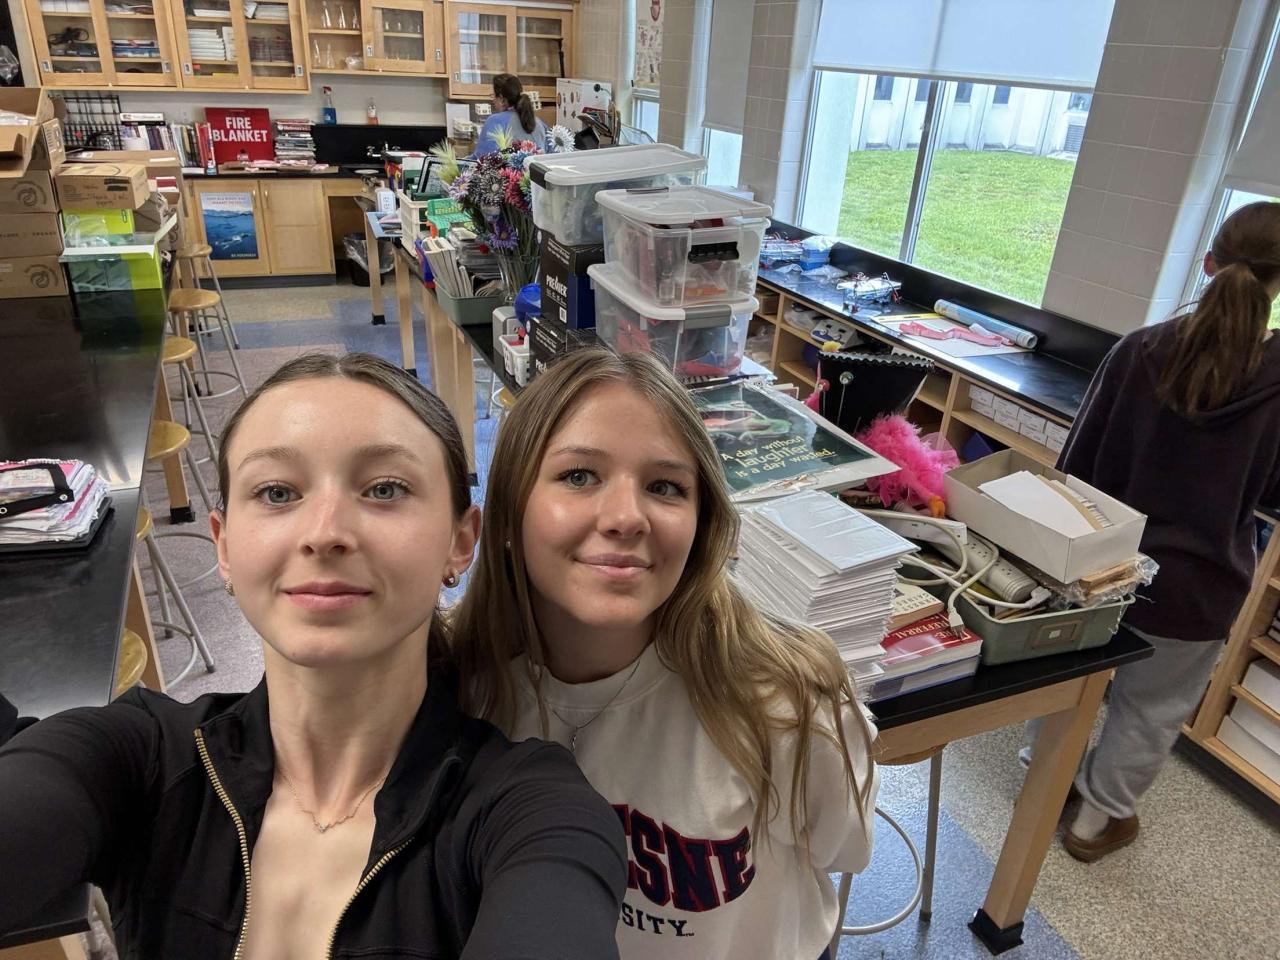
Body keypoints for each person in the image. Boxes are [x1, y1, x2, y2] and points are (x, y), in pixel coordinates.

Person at [0, 353, 627, 958]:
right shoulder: (134, 758)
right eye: (277, 492)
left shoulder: (529, 811)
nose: (325, 532)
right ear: (224, 545)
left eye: (384, 488)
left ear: (460, 543)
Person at [451, 347, 879, 960]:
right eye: (579, 476)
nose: (626, 517)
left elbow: (842, 850)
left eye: (664, 486)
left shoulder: (785, 706)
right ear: (509, 515)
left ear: (701, 525)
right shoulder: (458, 688)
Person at [1028, 201, 1280, 862]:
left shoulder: (1139, 350)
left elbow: (1076, 466)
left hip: (1099, 565)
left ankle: (1046, 782)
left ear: (1209, 262)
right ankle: (1095, 823)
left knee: (1067, 679)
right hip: (1198, 584)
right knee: (1151, 709)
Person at [475, 74, 547, 156]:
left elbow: (483, 158)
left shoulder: (495, 122)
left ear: (502, 99)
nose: (493, 100)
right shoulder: (539, 123)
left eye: (493, 95)